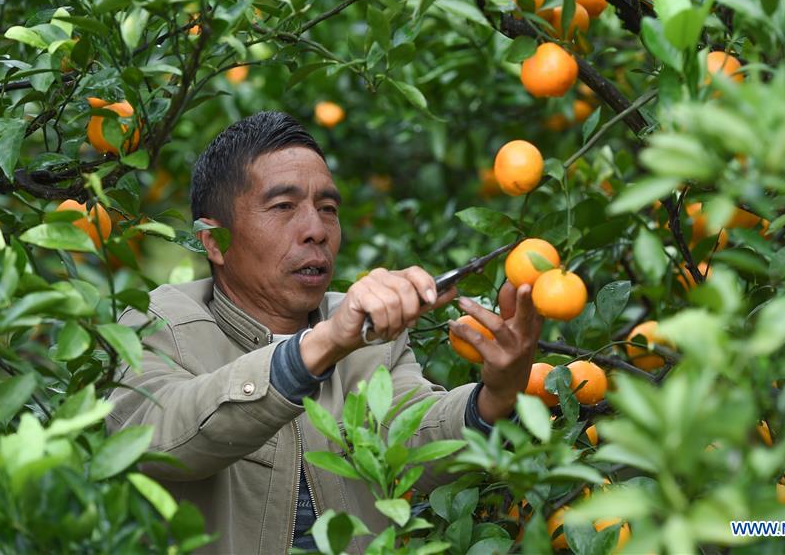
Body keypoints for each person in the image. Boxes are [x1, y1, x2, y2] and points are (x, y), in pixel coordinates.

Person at [106, 111, 543, 554]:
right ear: (215, 241)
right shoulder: (161, 321)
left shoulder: (368, 338)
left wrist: (494, 398)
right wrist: (325, 344)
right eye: (283, 207)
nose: (316, 230)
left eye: (328, 209)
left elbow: (414, 436)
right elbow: (159, 439)